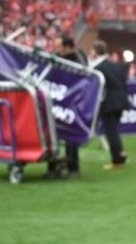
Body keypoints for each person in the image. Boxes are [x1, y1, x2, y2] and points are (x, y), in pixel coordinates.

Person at [92, 40, 129, 169]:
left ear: (95, 52)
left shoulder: (98, 68)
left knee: (111, 131)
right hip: (121, 100)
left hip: (109, 101)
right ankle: (120, 152)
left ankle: (117, 159)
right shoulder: (117, 65)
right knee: (114, 129)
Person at [54, 36, 87, 176]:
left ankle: (73, 166)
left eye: (59, 46)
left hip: (73, 102)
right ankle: (56, 166)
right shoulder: (58, 58)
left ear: (67, 47)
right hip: (59, 100)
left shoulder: (78, 60)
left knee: (70, 135)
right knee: (55, 133)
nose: (56, 49)